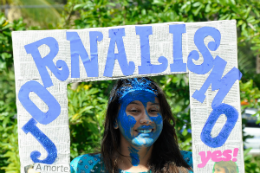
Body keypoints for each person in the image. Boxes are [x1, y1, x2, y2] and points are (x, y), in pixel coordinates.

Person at [70, 77, 193, 173]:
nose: (146, 119)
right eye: (134, 110)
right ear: (114, 120)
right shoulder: (84, 167)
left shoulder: (191, 164)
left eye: (153, 110)